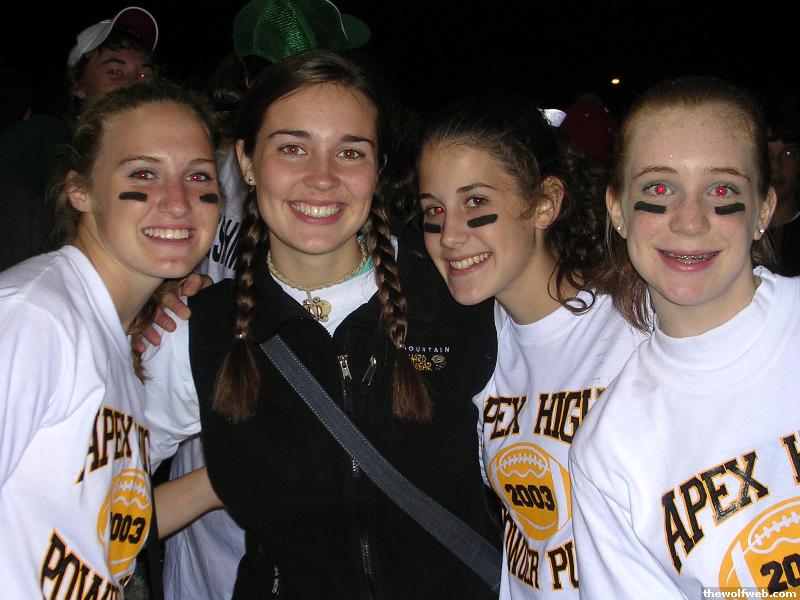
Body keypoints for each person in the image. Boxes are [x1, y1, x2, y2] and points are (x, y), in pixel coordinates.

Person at [143, 49, 499, 599]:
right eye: (293, 147)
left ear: (379, 170)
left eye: (350, 152)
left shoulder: (455, 295)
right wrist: (218, 481)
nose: (322, 178)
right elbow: (87, 504)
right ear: (246, 161)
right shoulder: (201, 329)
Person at [160, 4, 372, 599]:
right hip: (210, 509)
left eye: (311, 67)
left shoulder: (405, 282)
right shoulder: (201, 176)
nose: (319, 176)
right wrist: (148, 301)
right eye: (274, 71)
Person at [568, 76, 796, 598]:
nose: (690, 222)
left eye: (722, 190)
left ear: (762, 210)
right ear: (617, 211)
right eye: (658, 189)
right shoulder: (610, 450)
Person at [415, 95, 648, 599]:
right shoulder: (469, 346)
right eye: (434, 209)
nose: (448, 235)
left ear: (545, 203)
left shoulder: (637, 323)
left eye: (475, 203)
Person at [0, 79, 220, 598]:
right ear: (80, 190)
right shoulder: (33, 318)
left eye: (198, 177)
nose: (178, 202)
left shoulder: (115, 338)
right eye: (144, 173)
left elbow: (103, 537)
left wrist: (224, 481)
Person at [0, 6, 159, 272]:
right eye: (115, 72)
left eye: (144, 74)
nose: (135, 84)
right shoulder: (41, 139)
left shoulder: (153, 161)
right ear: (78, 86)